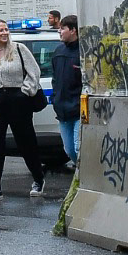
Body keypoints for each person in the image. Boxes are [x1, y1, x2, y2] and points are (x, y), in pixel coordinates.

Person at [0, 19, 47, 202]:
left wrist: (25, 92)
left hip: (18, 100)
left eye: (6, 29)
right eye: (0, 30)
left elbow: (34, 72)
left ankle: (38, 179)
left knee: (26, 142)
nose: (5, 33)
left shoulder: (19, 49)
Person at [52, 15, 83, 170]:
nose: (60, 31)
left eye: (63, 28)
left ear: (73, 30)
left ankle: (83, 178)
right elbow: (55, 79)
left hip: (78, 110)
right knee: (69, 149)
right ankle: (81, 174)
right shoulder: (58, 52)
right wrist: (55, 99)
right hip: (62, 110)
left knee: (79, 148)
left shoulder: (83, 53)